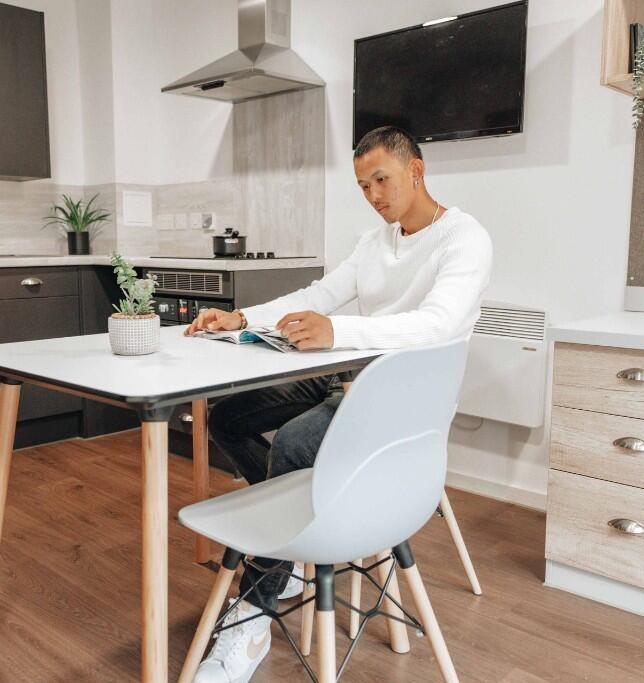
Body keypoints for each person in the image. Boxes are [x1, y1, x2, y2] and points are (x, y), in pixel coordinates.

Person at [183, 126, 493, 683]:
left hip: (398, 397)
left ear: (416, 171)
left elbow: (438, 323)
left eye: (382, 180)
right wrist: (243, 317)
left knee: (295, 443)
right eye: (363, 186)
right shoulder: (374, 243)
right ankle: (288, 546)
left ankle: (254, 612)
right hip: (344, 378)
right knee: (227, 419)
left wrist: (337, 331)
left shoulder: (464, 238)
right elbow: (319, 295)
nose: (373, 195)